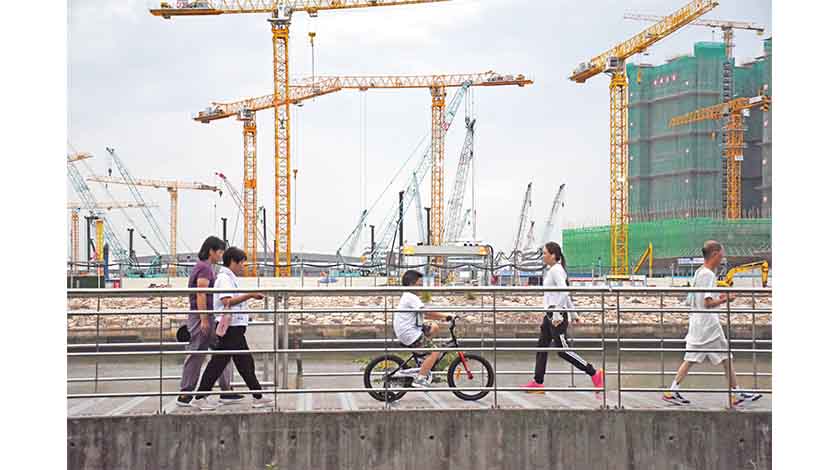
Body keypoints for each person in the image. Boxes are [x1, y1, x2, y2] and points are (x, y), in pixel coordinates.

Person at [662, 240, 762, 406]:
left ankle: (672, 391)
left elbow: (696, 299)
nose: (722, 259)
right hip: (709, 325)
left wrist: (718, 298)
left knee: (695, 358)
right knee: (725, 357)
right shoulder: (708, 275)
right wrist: (726, 299)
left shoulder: (699, 272)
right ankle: (736, 394)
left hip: (698, 322)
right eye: (721, 256)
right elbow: (707, 303)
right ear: (714, 254)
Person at [521, 242, 604, 394]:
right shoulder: (553, 270)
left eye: (545, 253)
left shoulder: (556, 270)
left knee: (563, 351)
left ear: (553, 255)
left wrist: (559, 313)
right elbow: (563, 293)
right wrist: (573, 313)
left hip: (556, 316)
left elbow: (565, 291)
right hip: (550, 315)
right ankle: (538, 382)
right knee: (541, 347)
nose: (543, 256)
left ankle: (593, 373)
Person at [192, 247, 269, 410]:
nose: (243, 266)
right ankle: (199, 397)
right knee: (222, 364)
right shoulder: (224, 278)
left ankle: (258, 396)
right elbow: (227, 301)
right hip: (230, 328)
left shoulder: (228, 278)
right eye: (242, 263)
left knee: (242, 362)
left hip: (234, 327)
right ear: (233, 262)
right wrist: (250, 295)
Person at [176, 236, 238, 407]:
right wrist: (204, 318)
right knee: (197, 353)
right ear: (211, 251)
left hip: (207, 315)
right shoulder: (204, 268)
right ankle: (186, 393)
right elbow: (201, 293)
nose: (221, 256)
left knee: (221, 351)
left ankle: (226, 390)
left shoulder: (205, 267)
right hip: (202, 316)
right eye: (220, 252)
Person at [394, 270, 452, 388]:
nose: (422, 287)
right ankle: (420, 379)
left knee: (434, 327)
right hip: (410, 333)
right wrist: (446, 316)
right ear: (411, 284)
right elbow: (426, 312)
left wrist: (441, 318)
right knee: (435, 352)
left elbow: (424, 314)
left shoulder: (408, 296)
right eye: (419, 284)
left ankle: (422, 358)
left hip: (410, 329)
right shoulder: (411, 297)